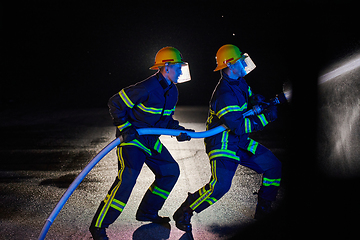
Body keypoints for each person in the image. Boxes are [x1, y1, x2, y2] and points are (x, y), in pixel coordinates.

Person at [173, 44, 282, 232]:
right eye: (240, 61)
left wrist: (257, 100)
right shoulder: (223, 94)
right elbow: (239, 126)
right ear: (230, 65)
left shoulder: (240, 81)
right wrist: (267, 116)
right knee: (220, 186)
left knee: (273, 166)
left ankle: (264, 211)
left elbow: (248, 100)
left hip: (238, 141)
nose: (244, 63)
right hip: (222, 143)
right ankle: (186, 210)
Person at [89, 46, 194, 240]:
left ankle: (147, 212)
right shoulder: (147, 88)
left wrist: (180, 131)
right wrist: (126, 127)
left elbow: (165, 120)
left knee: (170, 170)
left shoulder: (172, 92)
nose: (180, 70)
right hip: (134, 139)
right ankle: (99, 226)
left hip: (150, 140)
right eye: (178, 66)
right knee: (128, 178)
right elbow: (115, 103)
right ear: (167, 66)